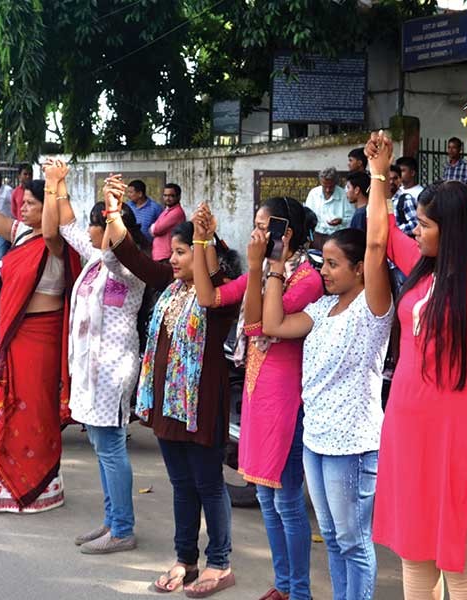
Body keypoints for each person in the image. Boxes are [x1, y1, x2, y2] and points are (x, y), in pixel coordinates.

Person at [371, 79, 467, 599]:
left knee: (459, 566)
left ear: (450, 228)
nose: (417, 230)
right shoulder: (422, 270)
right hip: (406, 426)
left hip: (457, 431)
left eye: (426, 224)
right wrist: (379, 174)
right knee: (415, 559)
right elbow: (381, 233)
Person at [262, 166, 394, 599]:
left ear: (361, 270)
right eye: (325, 263)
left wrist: (378, 175)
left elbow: (376, 244)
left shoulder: (372, 310)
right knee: (335, 539)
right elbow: (272, 324)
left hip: (351, 446)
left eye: (334, 265)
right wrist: (275, 266)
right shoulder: (321, 310)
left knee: (354, 542)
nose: (326, 272)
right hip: (316, 441)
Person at [105, 174, 238, 598]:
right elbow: (132, 255)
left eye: (182, 252)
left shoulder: (219, 295)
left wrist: (204, 240)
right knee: (181, 485)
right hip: (167, 406)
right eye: (175, 252)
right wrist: (114, 210)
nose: (173, 259)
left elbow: (210, 278)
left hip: (201, 407)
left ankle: (220, 562)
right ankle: (186, 559)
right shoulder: (172, 287)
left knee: (208, 485)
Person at [193, 197, 323, 600]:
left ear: (287, 232)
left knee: (287, 500)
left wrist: (255, 269)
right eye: (256, 224)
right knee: (266, 496)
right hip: (257, 392)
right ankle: (283, 585)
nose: (256, 233)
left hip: (286, 396)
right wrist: (201, 241)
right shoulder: (267, 270)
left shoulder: (307, 279)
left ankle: (299, 592)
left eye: (265, 226)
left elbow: (256, 325)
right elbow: (209, 297)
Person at [0, 136, 80, 512]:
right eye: (25, 202)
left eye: (32, 203)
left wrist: (53, 184)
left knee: (37, 409)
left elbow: (50, 231)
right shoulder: (19, 234)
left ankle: (40, 489)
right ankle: (6, 488)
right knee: (12, 405)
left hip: (43, 335)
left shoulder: (58, 241)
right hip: (16, 335)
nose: (24, 207)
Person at [43, 165, 146, 552]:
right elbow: (68, 226)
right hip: (92, 370)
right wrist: (58, 183)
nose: (88, 231)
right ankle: (111, 521)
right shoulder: (95, 261)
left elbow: (115, 256)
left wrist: (113, 208)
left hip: (113, 369)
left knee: (111, 448)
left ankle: (122, 530)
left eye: (95, 225)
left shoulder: (128, 265)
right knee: (103, 448)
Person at [305, 166, 354, 249]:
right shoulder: (314, 194)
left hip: (337, 238)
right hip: (317, 236)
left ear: (335, 183)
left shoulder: (344, 195)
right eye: (325, 186)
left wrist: (341, 221)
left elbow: (352, 218)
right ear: (321, 182)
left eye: (331, 187)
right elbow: (307, 216)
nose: (327, 190)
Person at [150, 183, 186, 262]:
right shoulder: (167, 210)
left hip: (167, 256)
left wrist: (153, 227)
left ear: (178, 197)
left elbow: (156, 229)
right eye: (165, 195)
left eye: (171, 196)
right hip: (160, 255)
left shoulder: (177, 212)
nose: (167, 198)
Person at [394, 156, 423, 237]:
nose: (400, 174)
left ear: (412, 173)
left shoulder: (420, 193)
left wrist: (396, 230)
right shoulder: (397, 191)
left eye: (403, 171)